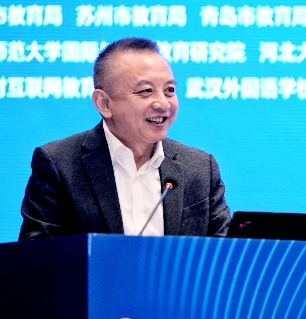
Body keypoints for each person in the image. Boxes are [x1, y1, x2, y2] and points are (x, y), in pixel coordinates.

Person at [18, 37, 231, 240]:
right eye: (146, 91)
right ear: (104, 103)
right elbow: (37, 254)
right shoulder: (59, 165)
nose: (163, 103)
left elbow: (226, 252)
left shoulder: (200, 168)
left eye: (169, 90)